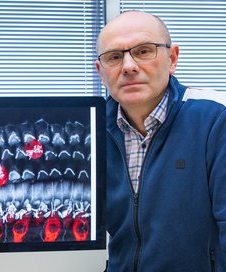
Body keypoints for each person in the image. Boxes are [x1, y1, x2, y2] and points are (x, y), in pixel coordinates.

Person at [95, 10, 226, 271]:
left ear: (172, 58)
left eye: (144, 51)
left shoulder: (215, 120)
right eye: (114, 57)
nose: (129, 66)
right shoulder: (93, 132)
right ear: (101, 72)